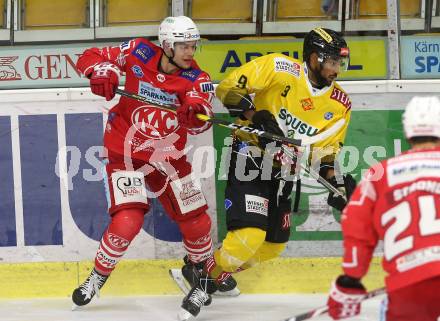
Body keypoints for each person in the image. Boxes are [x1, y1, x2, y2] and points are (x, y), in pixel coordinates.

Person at [177, 27, 356, 321]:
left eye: (340, 63)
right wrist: (256, 116)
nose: (336, 69)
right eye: (331, 62)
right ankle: (203, 285)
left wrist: (337, 182)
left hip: (285, 173)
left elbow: (325, 153)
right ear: (313, 58)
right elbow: (228, 89)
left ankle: (208, 267)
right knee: (249, 235)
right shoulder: (278, 68)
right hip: (251, 157)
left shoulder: (340, 105)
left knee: (273, 246)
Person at [71, 15, 236, 308]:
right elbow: (90, 56)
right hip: (125, 150)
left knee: (197, 220)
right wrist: (103, 71)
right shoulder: (138, 51)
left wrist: (194, 115)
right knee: (127, 221)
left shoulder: (196, 78)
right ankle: (97, 277)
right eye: (183, 46)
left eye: (193, 46)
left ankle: (203, 267)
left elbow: (201, 117)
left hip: (168, 158)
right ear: (167, 45)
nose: (190, 52)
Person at [326, 96, 440, 321]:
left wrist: (351, 279)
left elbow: (356, 226)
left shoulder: (380, 174)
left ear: (407, 132)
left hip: (410, 281)